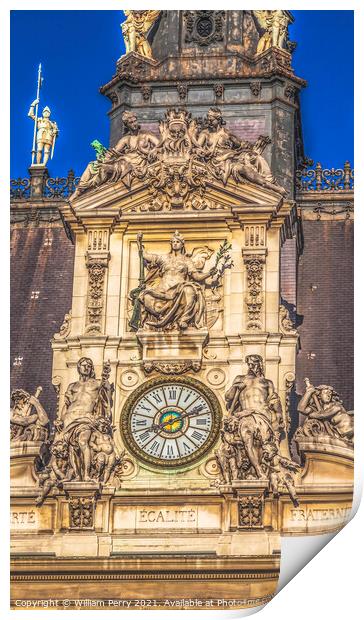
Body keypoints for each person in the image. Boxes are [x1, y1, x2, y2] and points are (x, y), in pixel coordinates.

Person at [136, 231, 217, 330]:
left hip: (179, 289)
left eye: (177, 242)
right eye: (173, 242)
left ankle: (183, 319)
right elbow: (145, 255)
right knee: (146, 297)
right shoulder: (163, 258)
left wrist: (209, 273)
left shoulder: (187, 261)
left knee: (190, 290)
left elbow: (196, 277)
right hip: (163, 290)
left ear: (182, 244)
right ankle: (160, 317)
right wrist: (139, 242)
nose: (175, 243)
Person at [225, 354, 284, 478]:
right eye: (249, 363)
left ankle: (264, 469)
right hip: (245, 415)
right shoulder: (240, 379)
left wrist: (278, 414)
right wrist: (235, 387)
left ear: (260, 364)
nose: (251, 366)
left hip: (262, 415)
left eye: (254, 363)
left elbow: (274, 400)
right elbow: (228, 397)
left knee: (265, 445)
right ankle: (259, 471)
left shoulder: (267, 382)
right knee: (247, 441)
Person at [28, 100, 58, 165]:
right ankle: (38, 164)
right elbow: (30, 114)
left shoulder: (52, 123)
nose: (46, 113)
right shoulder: (39, 119)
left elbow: (55, 133)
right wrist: (33, 104)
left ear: (49, 114)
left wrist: (55, 132)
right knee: (39, 149)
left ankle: (44, 164)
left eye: (48, 112)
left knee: (46, 151)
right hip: (40, 134)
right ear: (42, 113)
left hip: (48, 136)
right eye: (45, 112)